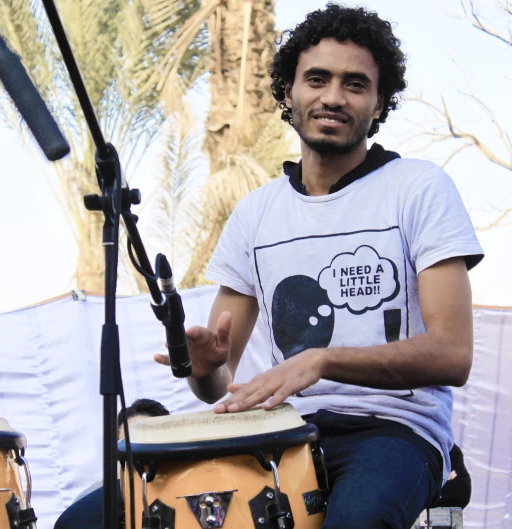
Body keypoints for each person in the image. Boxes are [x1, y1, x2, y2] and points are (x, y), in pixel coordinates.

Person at [155, 4, 483, 528]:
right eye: (317, 79)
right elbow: (219, 386)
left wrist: (323, 360)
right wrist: (205, 368)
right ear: (289, 93)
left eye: (355, 84)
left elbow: (452, 354)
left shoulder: (419, 188)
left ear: (379, 104)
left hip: (394, 431)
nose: (333, 96)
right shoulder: (257, 212)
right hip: (278, 431)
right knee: (95, 515)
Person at [54, 398, 170, 529]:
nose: (139, 450)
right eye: (130, 442)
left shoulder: (185, 488)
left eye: (148, 441)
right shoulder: (90, 501)